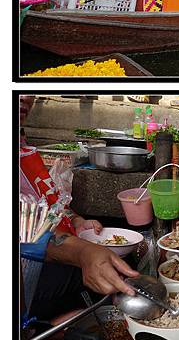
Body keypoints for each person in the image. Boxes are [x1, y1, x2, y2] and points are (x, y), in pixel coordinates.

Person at [19, 96, 139, 321]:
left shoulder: (19, 139)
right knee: (104, 272)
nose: (25, 97)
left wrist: (75, 220)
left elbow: (45, 201)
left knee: (117, 262)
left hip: (40, 254)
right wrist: (83, 252)